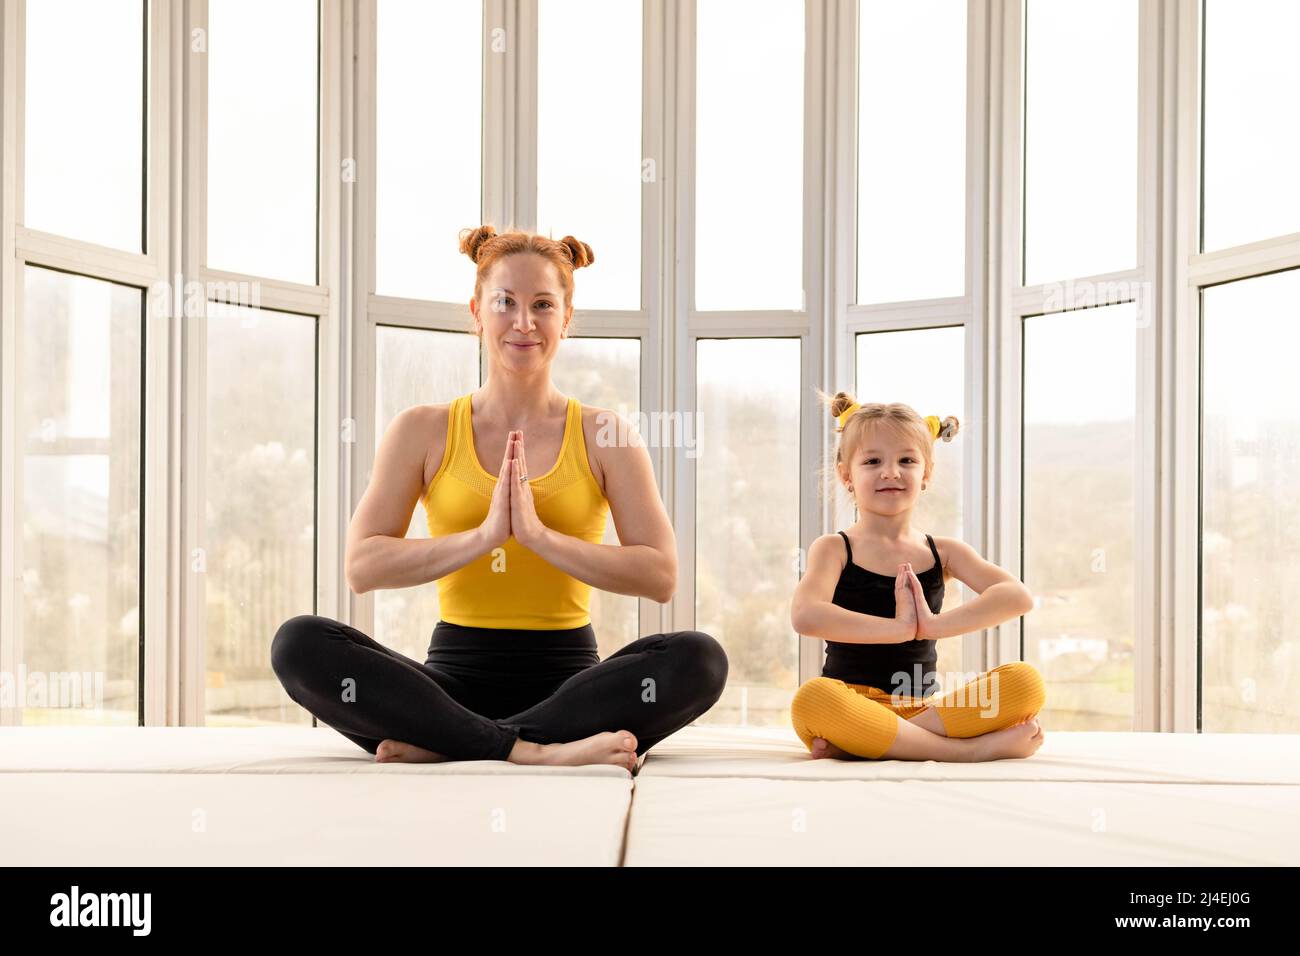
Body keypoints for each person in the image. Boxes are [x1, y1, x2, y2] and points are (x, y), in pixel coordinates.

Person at [271, 225, 728, 773]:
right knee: (298, 644)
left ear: (567, 318)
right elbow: (362, 566)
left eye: (543, 305)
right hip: (448, 683)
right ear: (476, 311)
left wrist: (539, 538)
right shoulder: (423, 429)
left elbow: (660, 576)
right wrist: (483, 538)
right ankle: (531, 749)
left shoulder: (607, 434)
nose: (524, 322)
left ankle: (458, 743)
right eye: (505, 302)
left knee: (699, 659)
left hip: (572, 687)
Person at [788, 391, 1047, 761]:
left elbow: (1017, 597)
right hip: (850, 701)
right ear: (846, 474)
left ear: (925, 474)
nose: (890, 472)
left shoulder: (944, 551)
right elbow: (806, 615)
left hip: (923, 708)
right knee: (812, 700)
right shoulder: (833, 548)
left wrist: (930, 626)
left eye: (906, 460)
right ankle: (967, 751)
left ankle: (874, 740)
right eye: (873, 460)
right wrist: (897, 628)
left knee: (1025, 683)